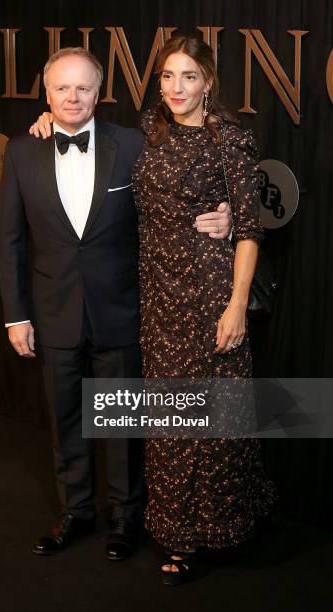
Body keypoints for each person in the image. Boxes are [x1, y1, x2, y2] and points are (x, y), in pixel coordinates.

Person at [0, 47, 232, 563]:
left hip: (121, 308)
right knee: (65, 422)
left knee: (123, 423)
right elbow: (9, 240)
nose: (72, 97)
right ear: (46, 94)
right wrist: (17, 315)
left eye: (83, 87)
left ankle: (126, 519)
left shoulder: (135, 143)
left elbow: (190, 177)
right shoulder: (20, 151)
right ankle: (75, 513)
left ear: (99, 93)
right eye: (62, 88)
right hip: (52, 311)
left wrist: (229, 218)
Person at [130, 34, 277, 585]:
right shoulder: (151, 128)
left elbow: (248, 228)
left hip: (210, 291)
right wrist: (50, 120)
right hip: (158, 295)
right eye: (167, 75)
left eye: (188, 76)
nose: (175, 88)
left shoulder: (229, 141)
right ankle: (174, 522)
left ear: (209, 82)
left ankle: (204, 531)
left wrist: (237, 305)